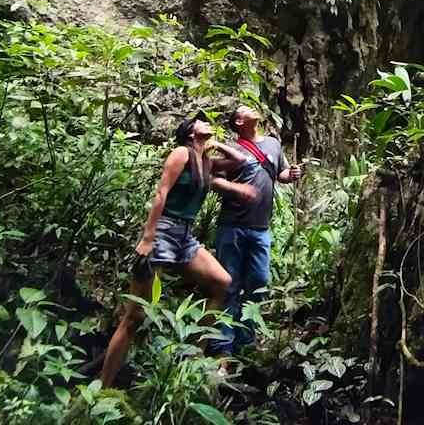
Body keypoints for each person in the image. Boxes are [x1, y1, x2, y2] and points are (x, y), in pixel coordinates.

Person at [99, 110, 258, 387]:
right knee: (135, 316)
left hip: (185, 236)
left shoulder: (205, 161)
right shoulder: (181, 154)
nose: (208, 123)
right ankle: (104, 385)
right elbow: (161, 192)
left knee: (222, 282)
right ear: (190, 132)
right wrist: (148, 238)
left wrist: (216, 144)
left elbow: (240, 161)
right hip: (162, 231)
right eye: (201, 122)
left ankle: (191, 357)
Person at [208, 105, 302, 357]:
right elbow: (212, 179)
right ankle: (222, 347)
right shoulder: (234, 150)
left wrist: (291, 174)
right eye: (245, 110)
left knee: (259, 283)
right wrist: (235, 189)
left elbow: (280, 173)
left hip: (261, 228)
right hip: (232, 226)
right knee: (229, 285)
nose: (253, 110)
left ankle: (245, 343)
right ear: (239, 122)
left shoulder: (273, 143)